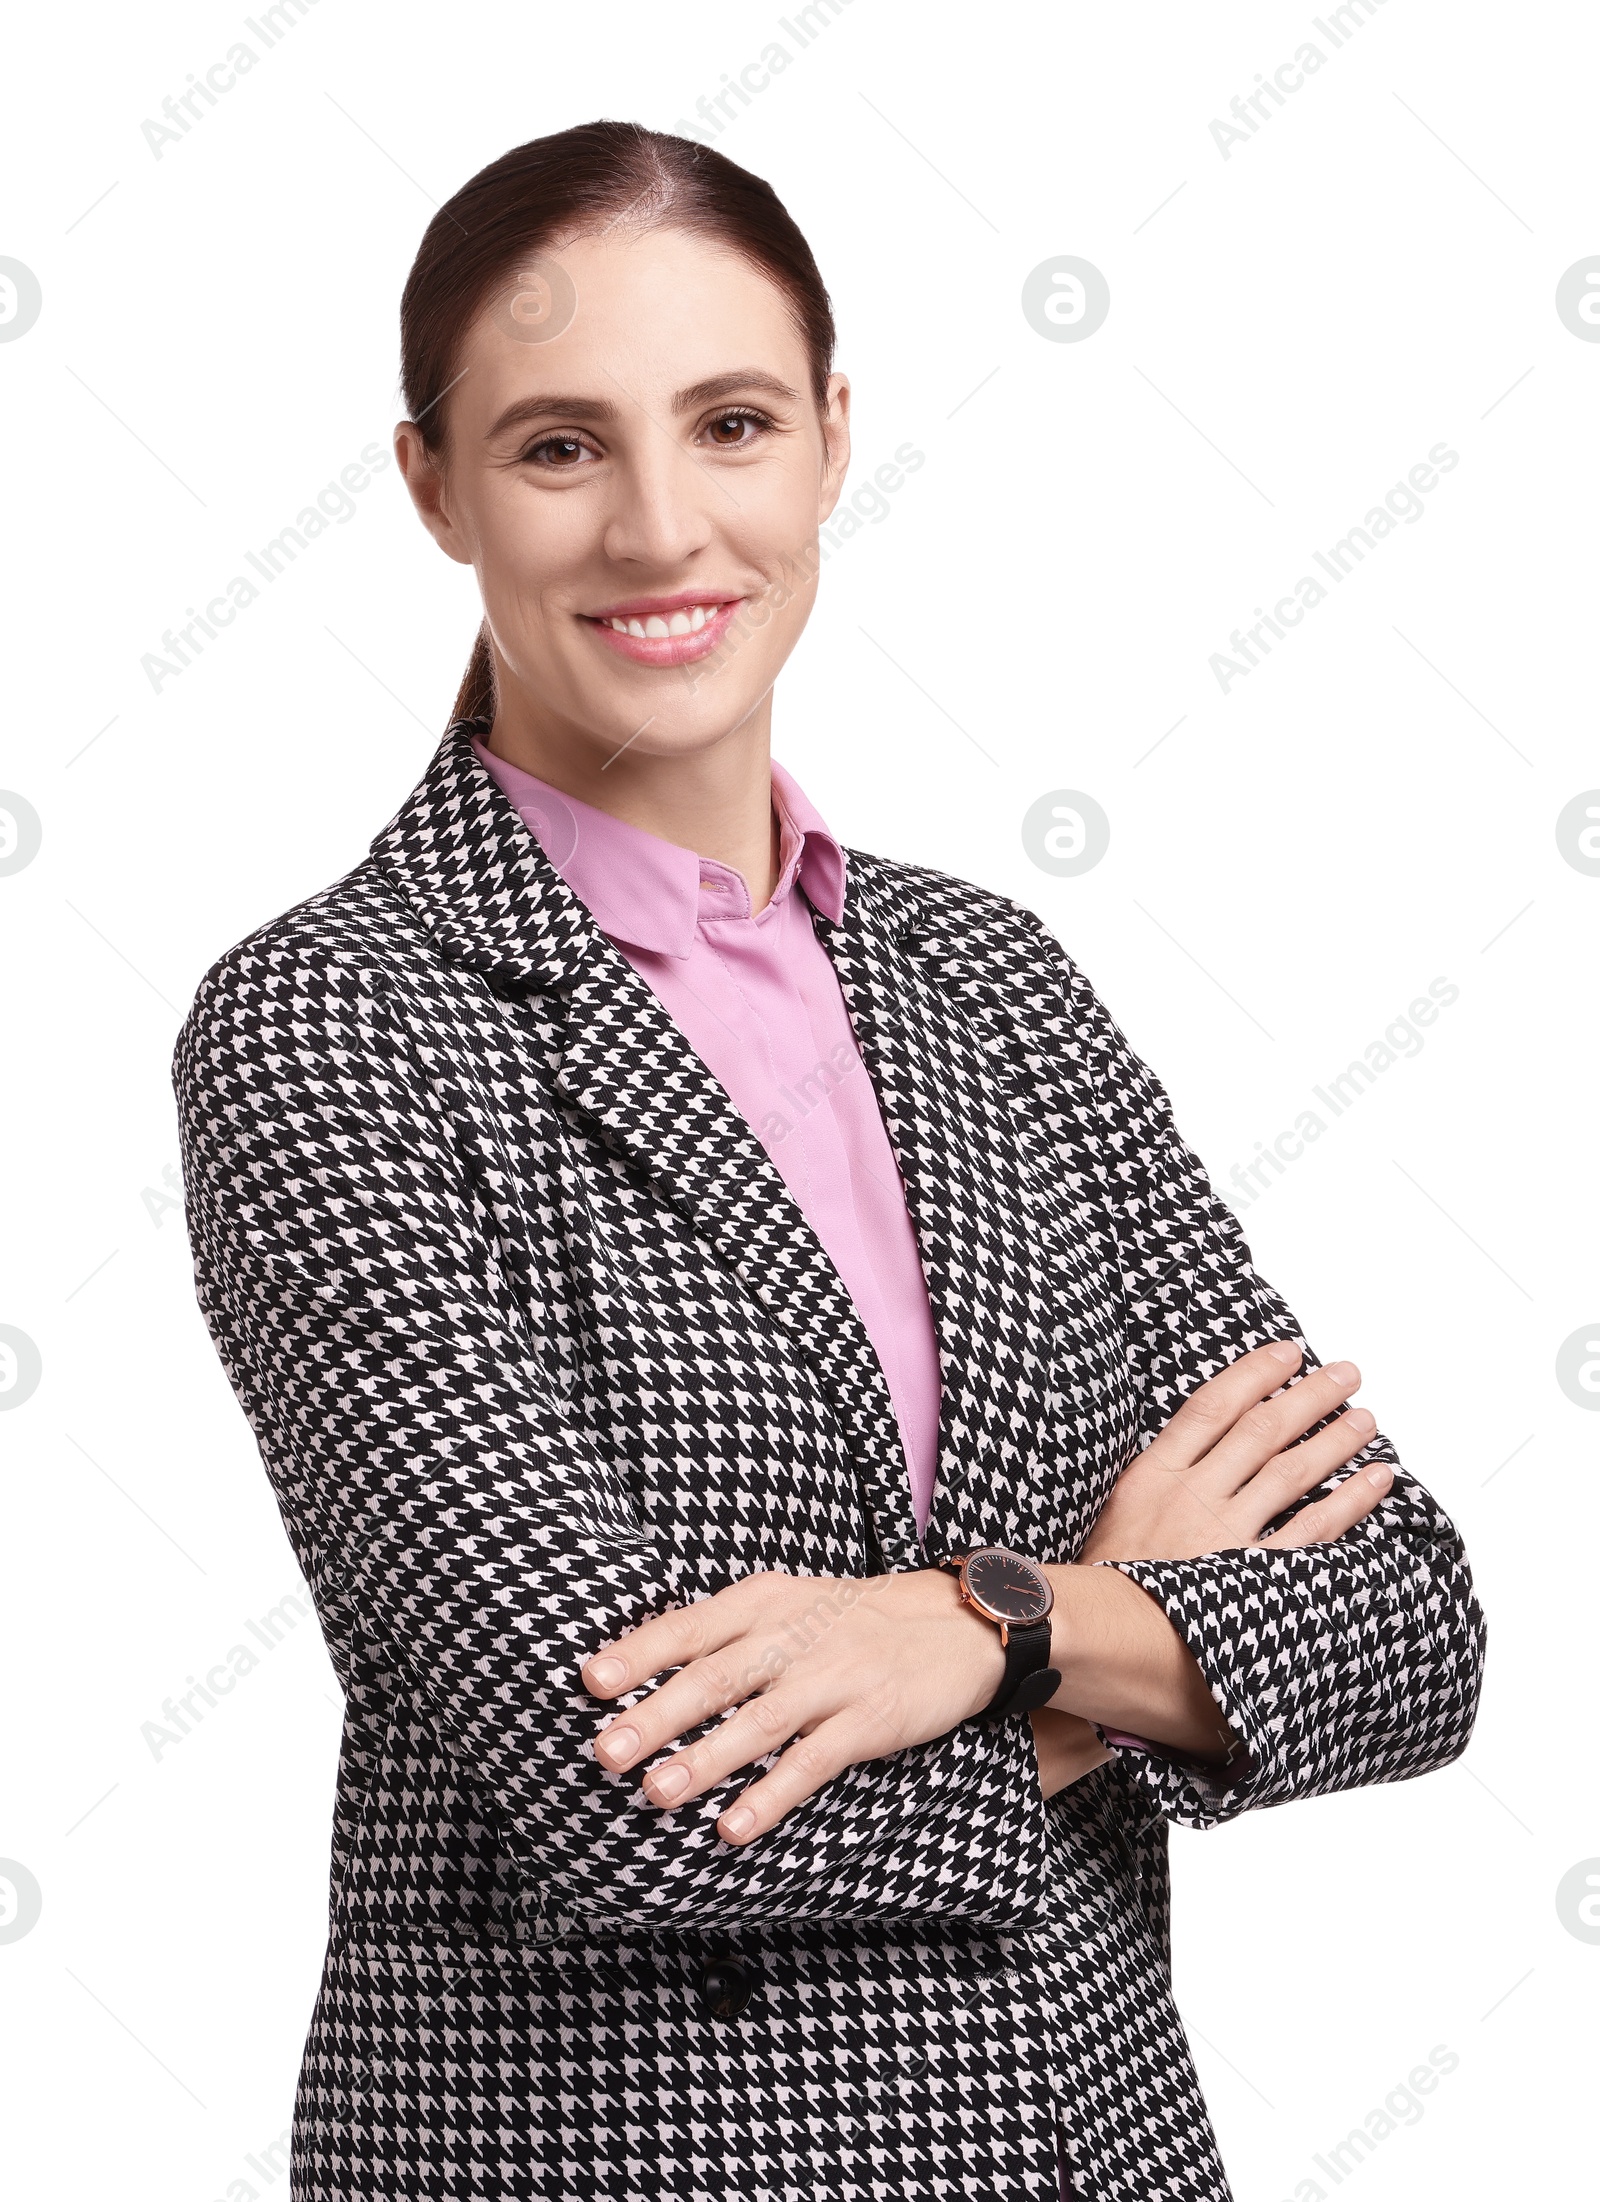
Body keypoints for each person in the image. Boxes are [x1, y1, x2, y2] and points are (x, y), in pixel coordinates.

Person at [171, 121, 1486, 2202]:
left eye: (729, 422)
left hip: (1089, 2147)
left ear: (831, 440)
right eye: (556, 447)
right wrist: (1134, 1638)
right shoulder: (333, 1027)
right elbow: (630, 1801)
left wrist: (985, 1626)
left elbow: (1408, 1626)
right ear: (430, 485)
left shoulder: (991, 983)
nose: (661, 525)